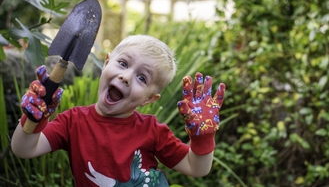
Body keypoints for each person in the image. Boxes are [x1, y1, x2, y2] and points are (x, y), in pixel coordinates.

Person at [11, 34, 226, 187]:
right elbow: (24, 149)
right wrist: (34, 118)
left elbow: (196, 168)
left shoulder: (151, 130)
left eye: (142, 78)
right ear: (106, 63)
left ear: (149, 99)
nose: (126, 76)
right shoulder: (73, 121)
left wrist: (203, 138)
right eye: (123, 63)